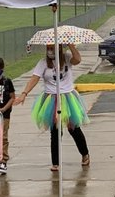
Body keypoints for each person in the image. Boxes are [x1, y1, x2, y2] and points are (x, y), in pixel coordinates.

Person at [15, 42, 90, 171]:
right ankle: (55, 163)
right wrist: (24, 94)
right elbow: (34, 78)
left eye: (52, 48)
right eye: (48, 48)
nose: (50, 51)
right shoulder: (43, 62)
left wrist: (71, 46)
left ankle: (85, 154)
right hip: (51, 98)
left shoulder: (66, 58)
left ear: (59, 48)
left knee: (73, 129)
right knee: (55, 131)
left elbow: (77, 59)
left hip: (67, 97)